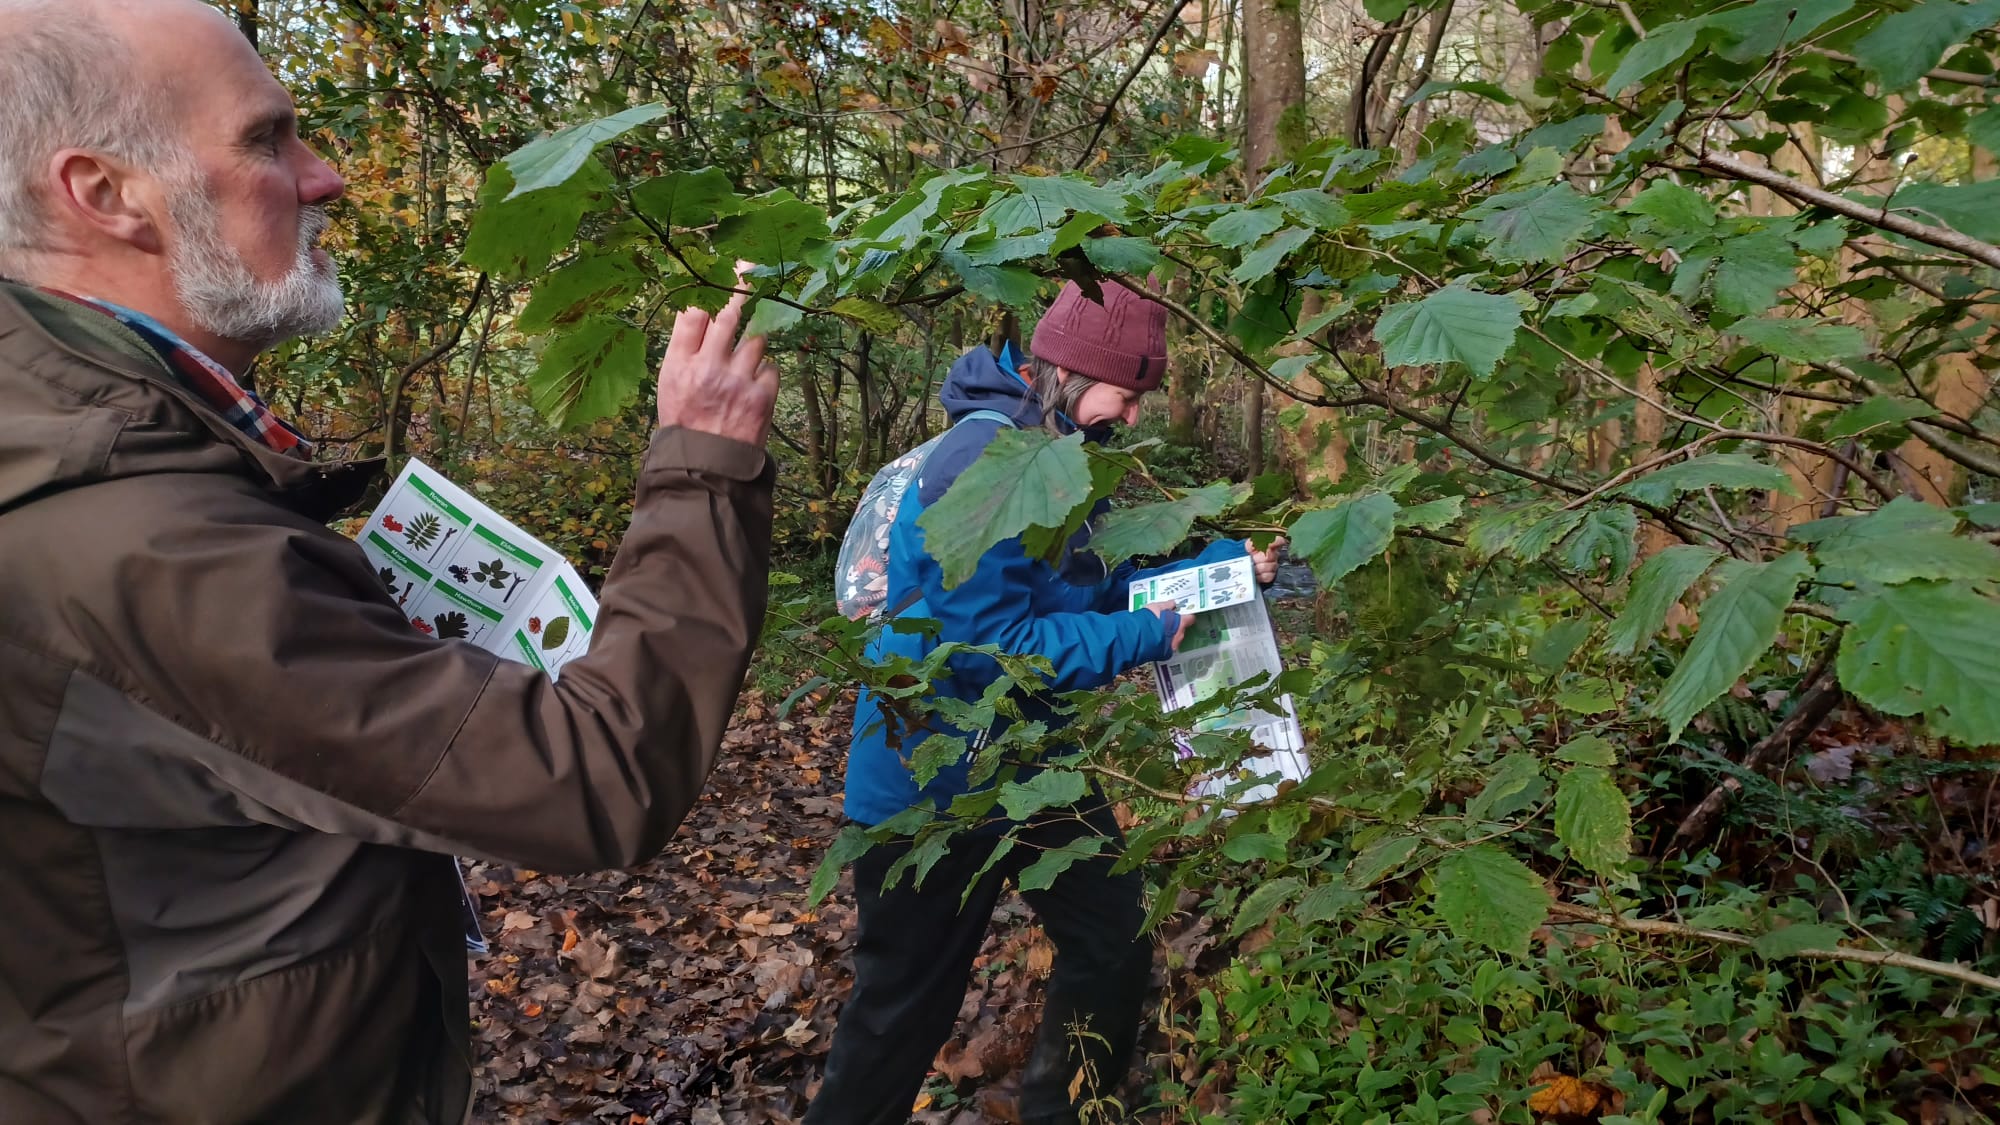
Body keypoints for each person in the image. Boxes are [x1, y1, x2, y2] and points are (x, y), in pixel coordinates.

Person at [0, 2, 779, 1122]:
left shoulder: (100, 457)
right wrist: (704, 468)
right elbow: (593, 777)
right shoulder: (141, 547)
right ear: (107, 194)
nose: (327, 179)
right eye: (267, 140)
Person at [807, 281, 1283, 1125]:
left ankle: (1070, 1112)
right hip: (928, 790)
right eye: (1126, 396)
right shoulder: (978, 466)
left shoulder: (1054, 452)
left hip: (1027, 764)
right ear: (1064, 372)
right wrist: (1148, 637)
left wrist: (1216, 573)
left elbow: (1074, 597)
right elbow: (995, 650)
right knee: (899, 1011)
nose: (1131, 417)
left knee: (1112, 940)